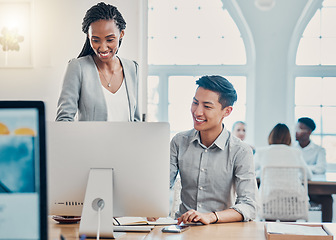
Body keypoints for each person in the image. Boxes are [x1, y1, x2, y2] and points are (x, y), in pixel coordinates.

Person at [170, 75, 257, 225]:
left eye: (207, 106)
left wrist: (211, 216)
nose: (197, 112)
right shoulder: (179, 141)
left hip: (221, 229)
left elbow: (249, 206)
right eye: (195, 103)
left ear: (227, 111)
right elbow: (160, 186)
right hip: (183, 228)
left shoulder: (240, 151)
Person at [56, 2, 141, 122]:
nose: (103, 48)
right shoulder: (77, 67)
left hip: (127, 141)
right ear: (88, 37)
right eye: (95, 40)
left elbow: (136, 122)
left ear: (121, 34)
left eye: (110, 39)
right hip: (89, 141)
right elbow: (63, 120)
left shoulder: (132, 68)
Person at [295, 117, 331, 222]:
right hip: (294, 188)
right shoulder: (292, 149)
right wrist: (309, 168)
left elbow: (321, 168)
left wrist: (302, 168)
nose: (296, 132)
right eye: (296, 129)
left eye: (300, 129)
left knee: (327, 199)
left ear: (309, 132)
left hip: (313, 189)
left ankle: (327, 229)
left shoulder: (319, 150)